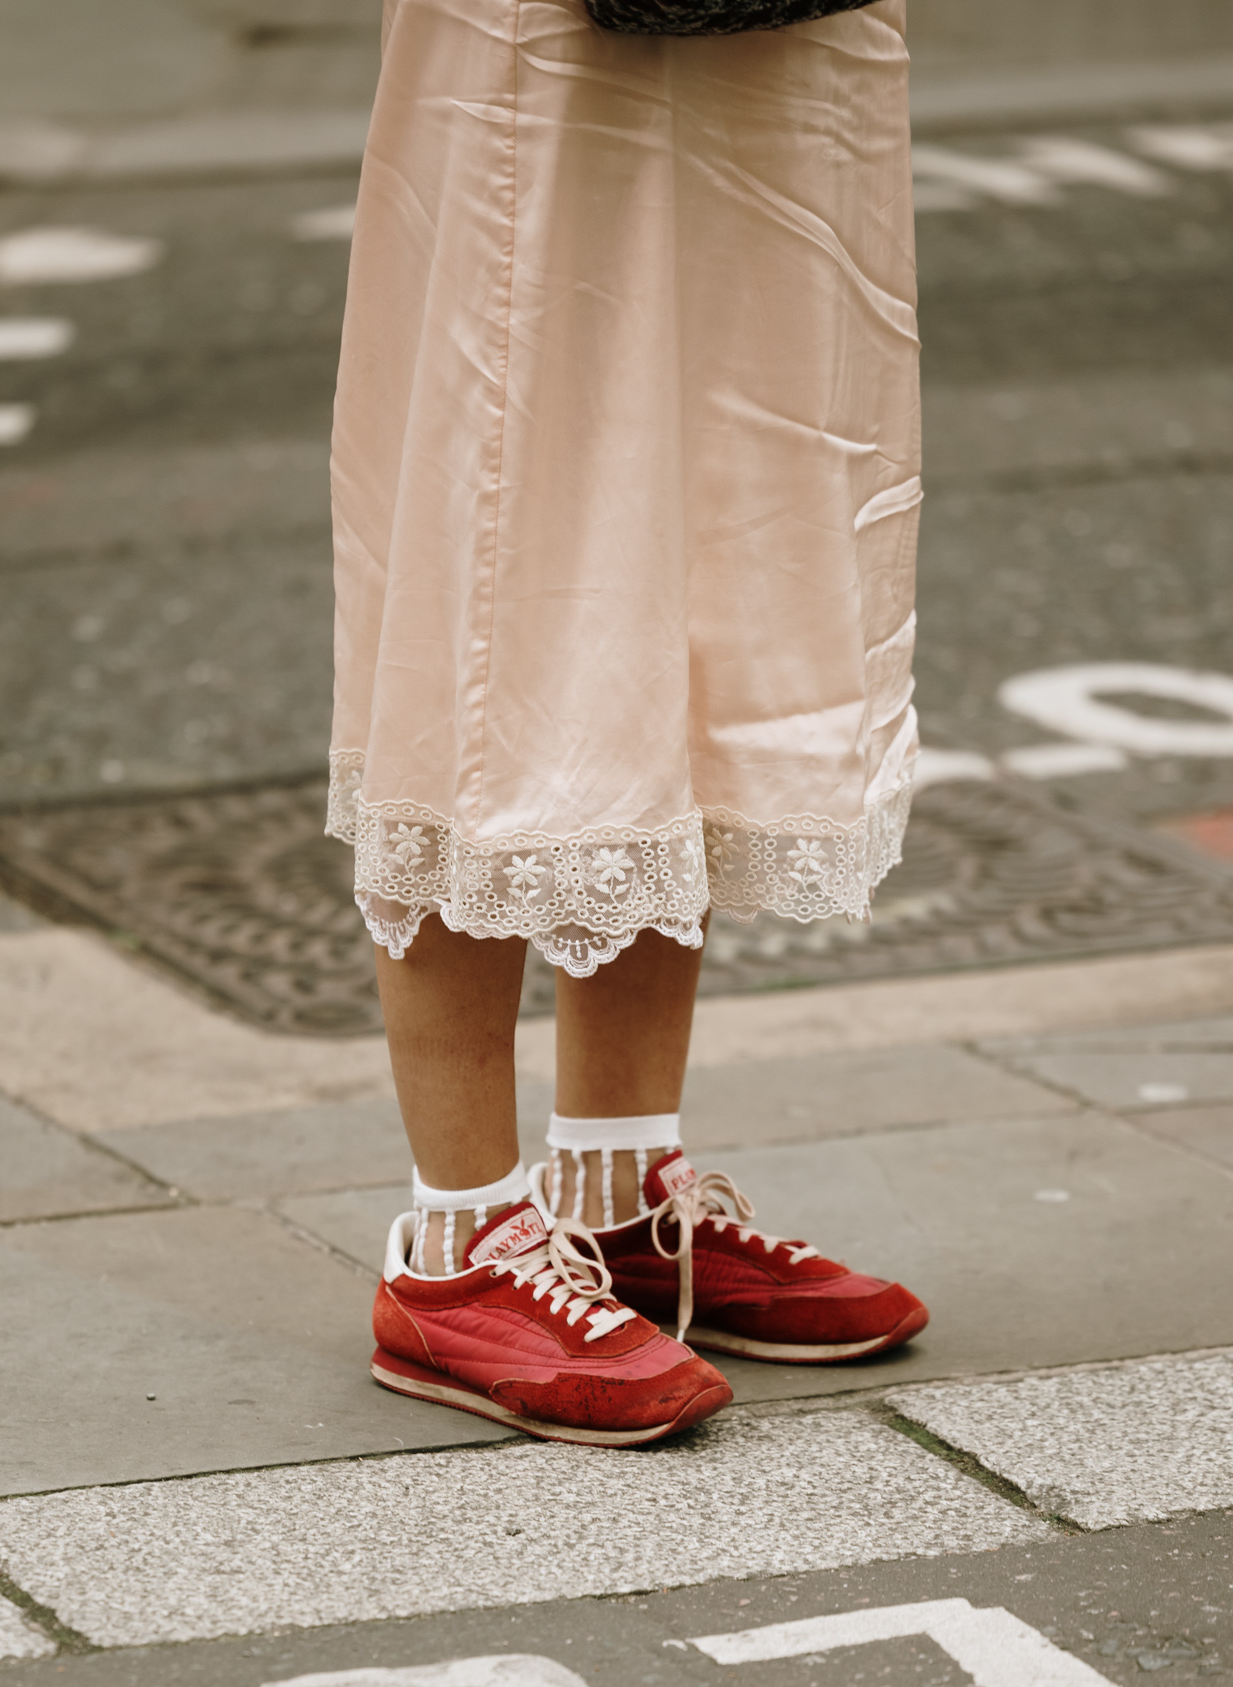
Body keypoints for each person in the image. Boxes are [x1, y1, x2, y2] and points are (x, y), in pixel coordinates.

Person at [327, 0, 928, 1445]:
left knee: (719, 537)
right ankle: (458, 1247)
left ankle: (614, 1197)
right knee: (512, 561)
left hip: (784, 36)